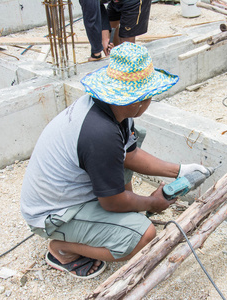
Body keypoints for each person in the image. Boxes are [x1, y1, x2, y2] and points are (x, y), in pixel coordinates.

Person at [20, 42, 208, 279]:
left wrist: (179, 170)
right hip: (52, 214)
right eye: (149, 96)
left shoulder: (112, 109)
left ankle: (114, 221)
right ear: (139, 100)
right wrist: (152, 203)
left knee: (133, 141)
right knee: (142, 236)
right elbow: (111, 202)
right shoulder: (100, 134)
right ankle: (61, 249)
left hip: (68, 194)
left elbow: (130, 155)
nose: (150, 102)